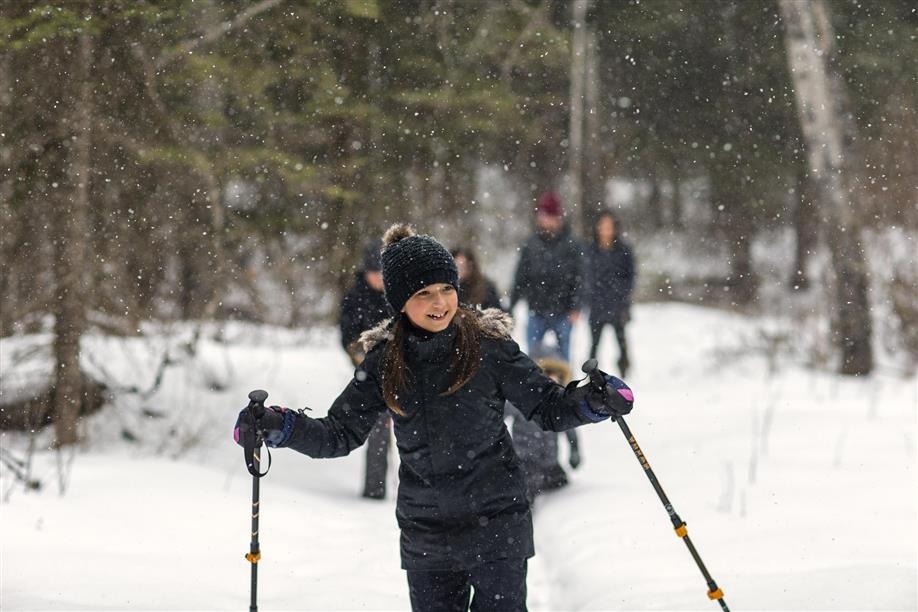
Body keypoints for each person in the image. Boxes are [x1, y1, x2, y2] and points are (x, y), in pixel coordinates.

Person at [235, 223, 634, 612]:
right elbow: (338, 434)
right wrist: (279, 425)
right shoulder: (385, 361)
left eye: (447, 289)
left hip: (497, 521)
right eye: (424, 293)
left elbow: (547, 407)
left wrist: (592, 400)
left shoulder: (489, 348)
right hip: (427, 532)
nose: (440, 303)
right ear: (400, 301)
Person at [339, 239, 394, 499]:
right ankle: (375, 489)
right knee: (378, 430)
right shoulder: (354, 298)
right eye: (375, 273)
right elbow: (348, 338)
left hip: (404, 370)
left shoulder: (398, 294)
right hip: (371, 375)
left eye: (383, 273)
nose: (379, 278)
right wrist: (366, 360)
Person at [510, 191, 583, 361]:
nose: (544, 220)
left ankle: (565, 386)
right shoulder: (531, 244)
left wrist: (576, 306)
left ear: (558, 217)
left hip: (563, 311)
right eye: (541, 215)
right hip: (537, 310)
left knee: (564, 357)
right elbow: (520, 276)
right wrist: (512, 305)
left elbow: (581, 277)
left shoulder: (572, 244)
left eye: (548, 216)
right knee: (532, 360)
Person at [504, 352, 582, 502]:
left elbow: (570, 431)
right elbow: (500, 416)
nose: (552, 379)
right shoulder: (523, 399)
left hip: (549, 460)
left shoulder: (559, 405)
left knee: (560, 484)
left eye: (556, 377)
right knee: (527, 489)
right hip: (526, 457)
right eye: (548, 375)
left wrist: (574, 450)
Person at [584, 211, 635, 378]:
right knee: (594, 344)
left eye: (609, 227)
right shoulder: (590, 250)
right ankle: (592, 375)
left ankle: (625, 371)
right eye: (602, 226)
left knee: (621, 343)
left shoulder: (624, 250)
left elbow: (630, 276)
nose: (606, 230)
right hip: (596, 305)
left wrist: (623, 297)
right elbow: (585, 276)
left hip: (618, 305)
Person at [451, 246, 504, 311]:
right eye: (456, 266)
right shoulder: (446, 288)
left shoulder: (486, 289)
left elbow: (497, 313)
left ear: (470, 266)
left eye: (463, 266)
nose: (460, 270)